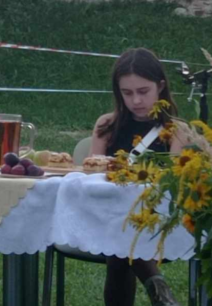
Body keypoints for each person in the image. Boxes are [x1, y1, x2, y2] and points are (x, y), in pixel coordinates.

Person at [89, 48, 182, 306]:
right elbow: (92, 175)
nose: (136, 101)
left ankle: (157, 286)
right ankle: (158, 288)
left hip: (156, 218)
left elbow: (172, 184)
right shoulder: (106, 125)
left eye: (143, 91)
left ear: (160, 86)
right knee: (120, 231)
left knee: (120, 245)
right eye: (127, 93)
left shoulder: (175, 130)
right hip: (106, 214)